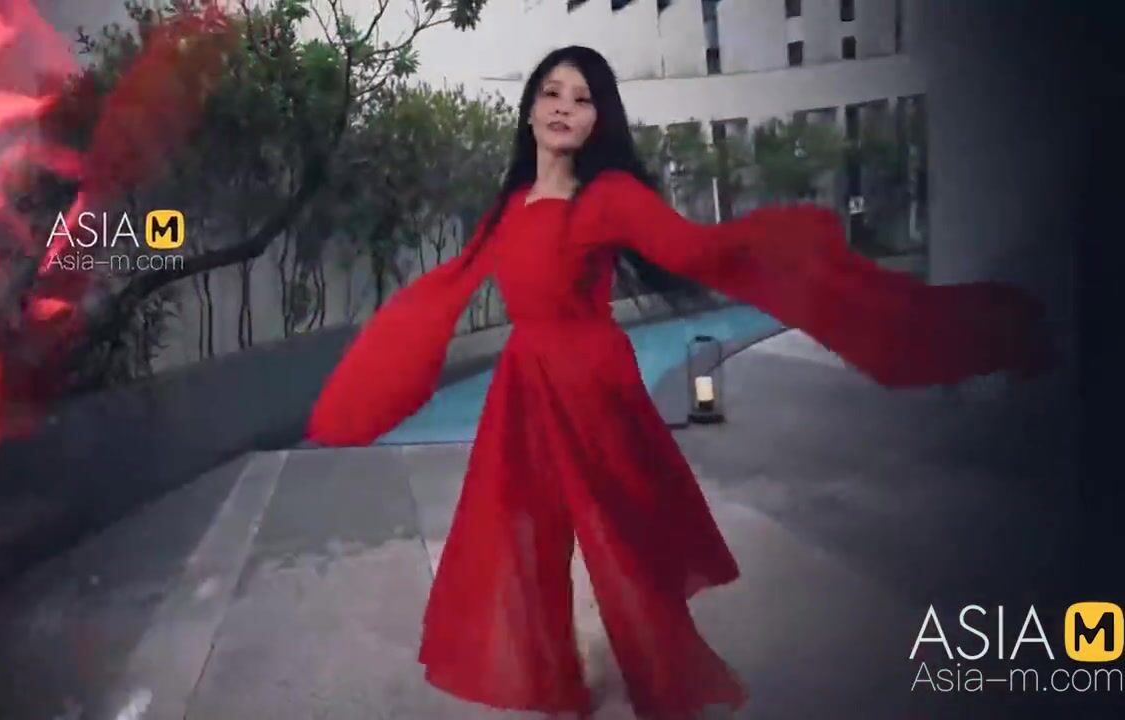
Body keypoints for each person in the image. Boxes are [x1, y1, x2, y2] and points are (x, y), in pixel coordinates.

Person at [306, 46, 1049, 719]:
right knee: (526, 534)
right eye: (551, 92)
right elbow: (446, 288)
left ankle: (665, 687)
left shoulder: (609, 197)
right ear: (529, 109)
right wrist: (369, 387)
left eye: (582, 98)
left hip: (590, 382)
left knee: (621, 539)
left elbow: (694, 251)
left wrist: (781, 242)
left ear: (598, 120)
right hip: (524, 388)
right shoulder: (507, 205)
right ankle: (555, 682)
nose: (563, 107)